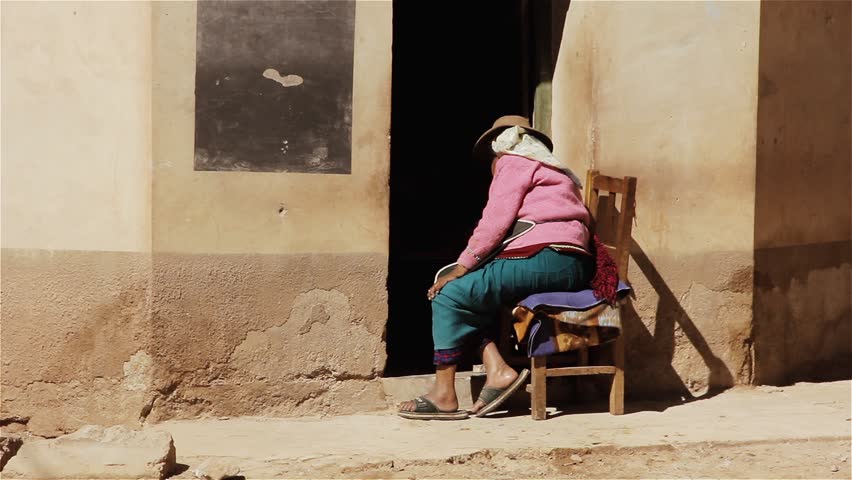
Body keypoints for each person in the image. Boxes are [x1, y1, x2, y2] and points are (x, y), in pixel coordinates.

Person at [398, 115, 595, 420]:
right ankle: (498, 369)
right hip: (572, 265)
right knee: (472, 297)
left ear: (500, 147)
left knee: (449, 293)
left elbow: (495, 223)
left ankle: (444, 395)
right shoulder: (554, 170)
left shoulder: (513, 162)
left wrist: (463, 266)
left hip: (545, 260)